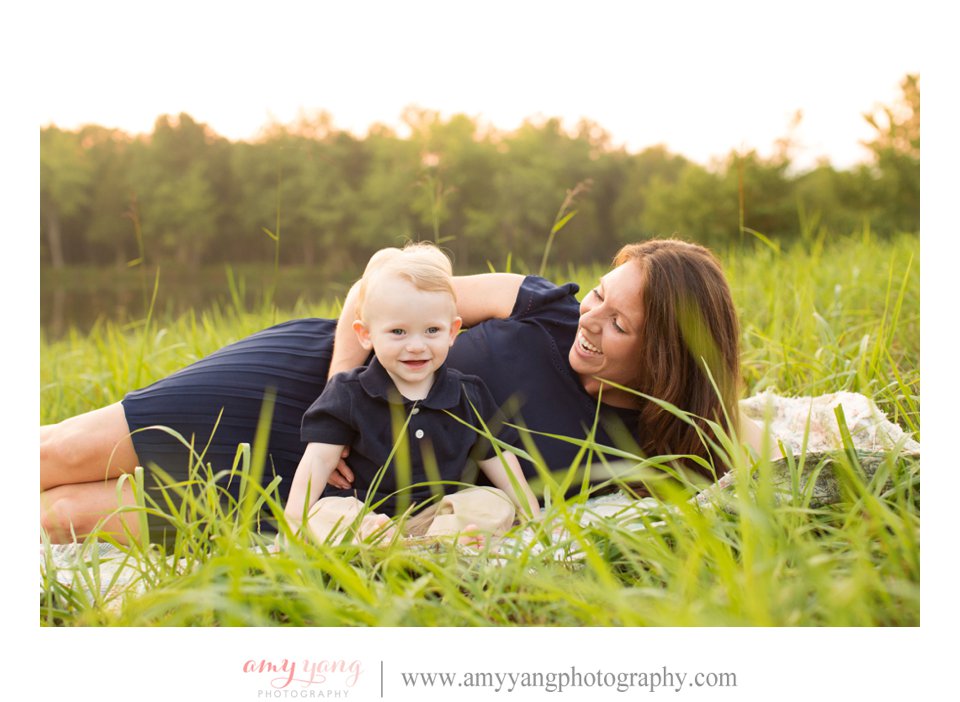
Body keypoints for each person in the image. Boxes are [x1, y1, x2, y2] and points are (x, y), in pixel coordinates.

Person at [41, 238, 765, 545]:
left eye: (621, 322)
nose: (592, 319)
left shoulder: (641, 453)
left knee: (64, 517)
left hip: (348, 496)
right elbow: (373, 289)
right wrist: (335, 402)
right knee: (56, 452)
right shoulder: (542, 307)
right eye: (599, 295)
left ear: (667, 352)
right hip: (303, 389)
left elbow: (741, 448)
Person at [284, 243, 539, 544]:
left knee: (494, 501)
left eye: (432, 330)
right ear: (366, 334)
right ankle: (381, 540)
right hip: (369, 514)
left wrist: (534, 518)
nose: (416, 345)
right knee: (325, 511)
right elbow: (317, 463)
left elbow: (501, 462)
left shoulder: (467, 394)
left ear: (452, 331)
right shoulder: (348, 393)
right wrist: (291, 528)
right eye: (398, 332)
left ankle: (440, 542)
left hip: (438, 514)